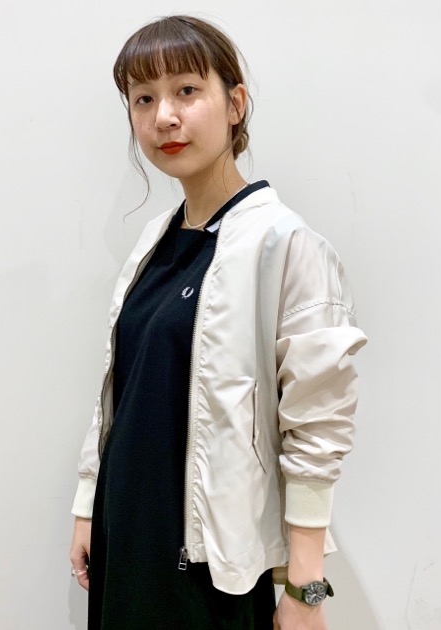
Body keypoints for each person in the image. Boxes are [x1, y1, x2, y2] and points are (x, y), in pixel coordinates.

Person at [69, 14, 367, 630]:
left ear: (234, 104)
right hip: (126, 539)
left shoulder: (285, 244)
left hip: (208, 569)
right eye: (143, 98)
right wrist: (87, 505)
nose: (164, 117)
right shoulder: (154, 242)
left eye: (186, 91)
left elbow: (318, 427)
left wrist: (305, 588)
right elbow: (121, 393)